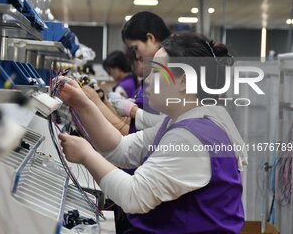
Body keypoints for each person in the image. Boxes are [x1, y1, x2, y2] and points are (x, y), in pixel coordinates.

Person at [58, 32, 247, 233]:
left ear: (183, 82)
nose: (147, 80)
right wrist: (83, 104)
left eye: (156, 72)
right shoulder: (177, 123)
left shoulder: (191, 138)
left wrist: (87, 155)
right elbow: (121, 149)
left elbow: (133, 196)